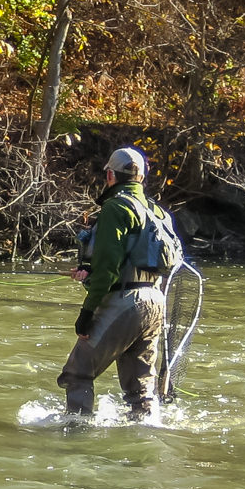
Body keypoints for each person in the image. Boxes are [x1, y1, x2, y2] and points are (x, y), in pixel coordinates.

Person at [57, 146, 170, 420]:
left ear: (110, 175)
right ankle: (145, 431)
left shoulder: (115, 208)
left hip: (125, 303)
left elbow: (107, 269)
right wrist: (88, 270)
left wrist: (86, 313)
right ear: (141, 178)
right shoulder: (156, 211)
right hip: (155, 301)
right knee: (141, 388)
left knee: (78, 372)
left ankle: (76, 433)